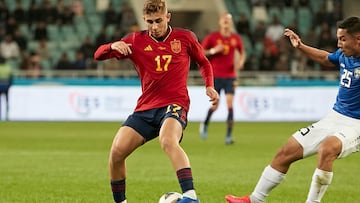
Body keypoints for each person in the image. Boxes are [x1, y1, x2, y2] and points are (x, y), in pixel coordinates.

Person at [93, 1, 219, 203]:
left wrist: (209, 85)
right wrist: (111, 46)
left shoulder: (185, 37)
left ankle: (190, 197)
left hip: (175, 104)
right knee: (116, 152)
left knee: (167, 139)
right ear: (144, 20)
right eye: (150, 22)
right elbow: (98, 55)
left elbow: (203, 62)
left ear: (168, 17)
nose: (154, 26)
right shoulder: (135, 41)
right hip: (146, 108)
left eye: (158, 20)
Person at [225, 16, 360, 203]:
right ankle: (254, 200)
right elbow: (325, 58)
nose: (338, 43)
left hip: (356, 125)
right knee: (287, 151)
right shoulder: (344, 55)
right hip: (334, 117)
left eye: (343, 39)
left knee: (327, 149)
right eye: (338, 38)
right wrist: (300, 46)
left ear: (358, 38)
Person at [199, 13, 246, 144]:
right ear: (220, 22)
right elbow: (200, 52)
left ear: (231, 23)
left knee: (230, 105)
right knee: (215, 106)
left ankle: (228, 136)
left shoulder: (235, 38)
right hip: (215, 76)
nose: (226, 22)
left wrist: (241, 61)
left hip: (230, 76)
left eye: (228, 20)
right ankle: (205, 124)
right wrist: (213, 51)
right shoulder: (213, 37)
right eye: (224, 20)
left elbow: (242, 52)